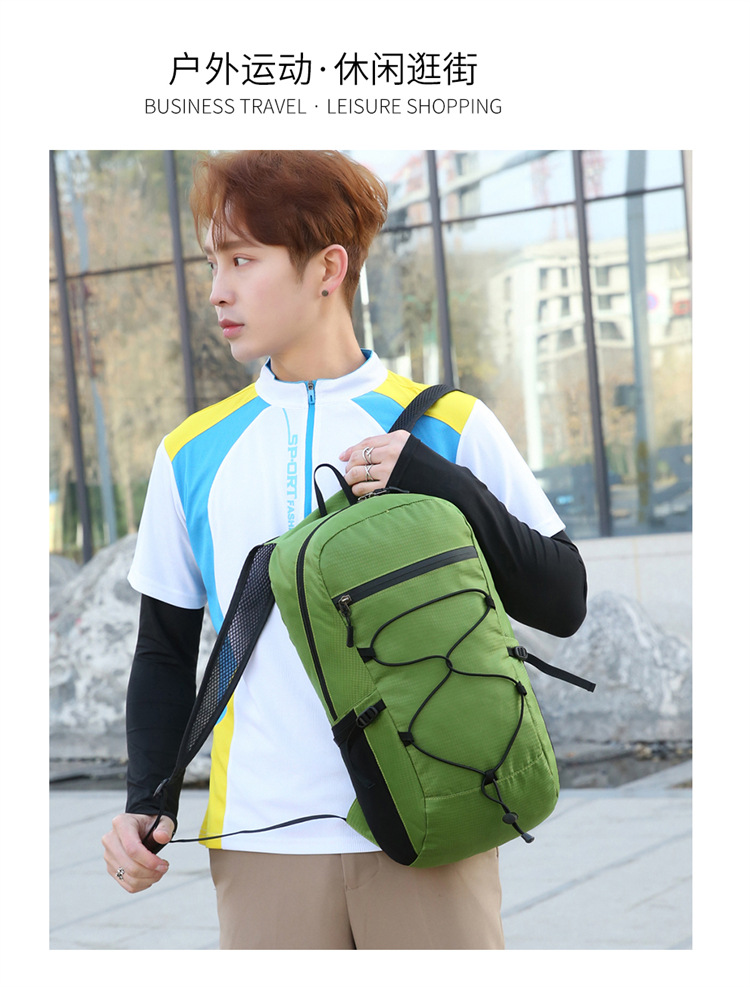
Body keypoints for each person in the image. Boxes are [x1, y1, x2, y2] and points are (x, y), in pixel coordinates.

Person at [102, 149, 587, 950]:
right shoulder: (191, 452)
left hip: (434, 820)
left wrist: (438, 480)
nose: (217, 289)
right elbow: (164, 648)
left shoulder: (448, 424)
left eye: (242, 260)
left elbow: (563, 598)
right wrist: (145, 799)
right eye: (214, 263)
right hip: (261, 841)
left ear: (328, 268)